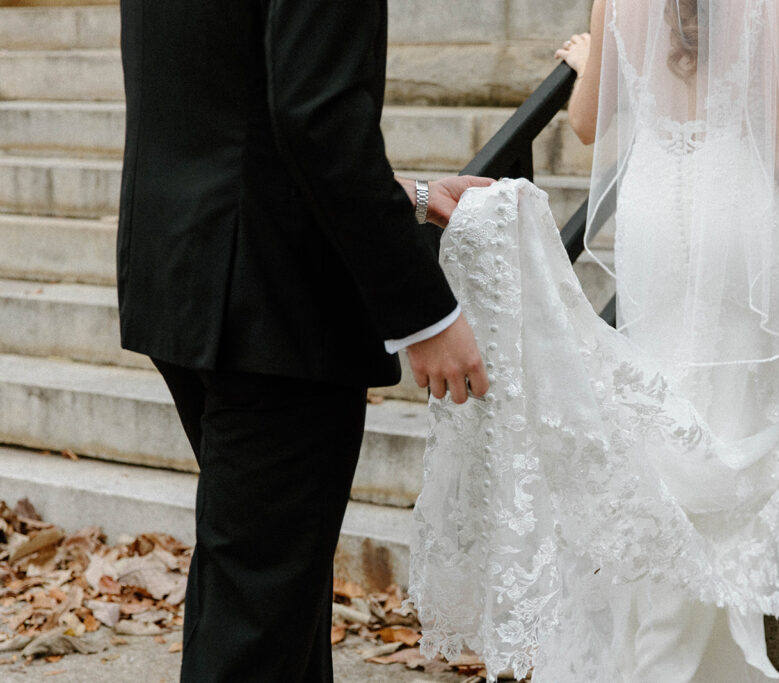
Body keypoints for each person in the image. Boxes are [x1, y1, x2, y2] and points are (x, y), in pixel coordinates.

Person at [408, 0, 779, 681]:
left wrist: (594, 62)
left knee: (661, 424)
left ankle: (693, 654)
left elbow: (588, 124)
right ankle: (674, 659)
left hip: (655, 216)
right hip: (737, 207)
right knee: (726, 416)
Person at [116, 1, 491, 680]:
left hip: (183, 269)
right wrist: (424, 314)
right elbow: (314, 112)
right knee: (257, 633)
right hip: (273, 306)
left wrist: (405, 193)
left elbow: (226, 89)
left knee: (265, 602)